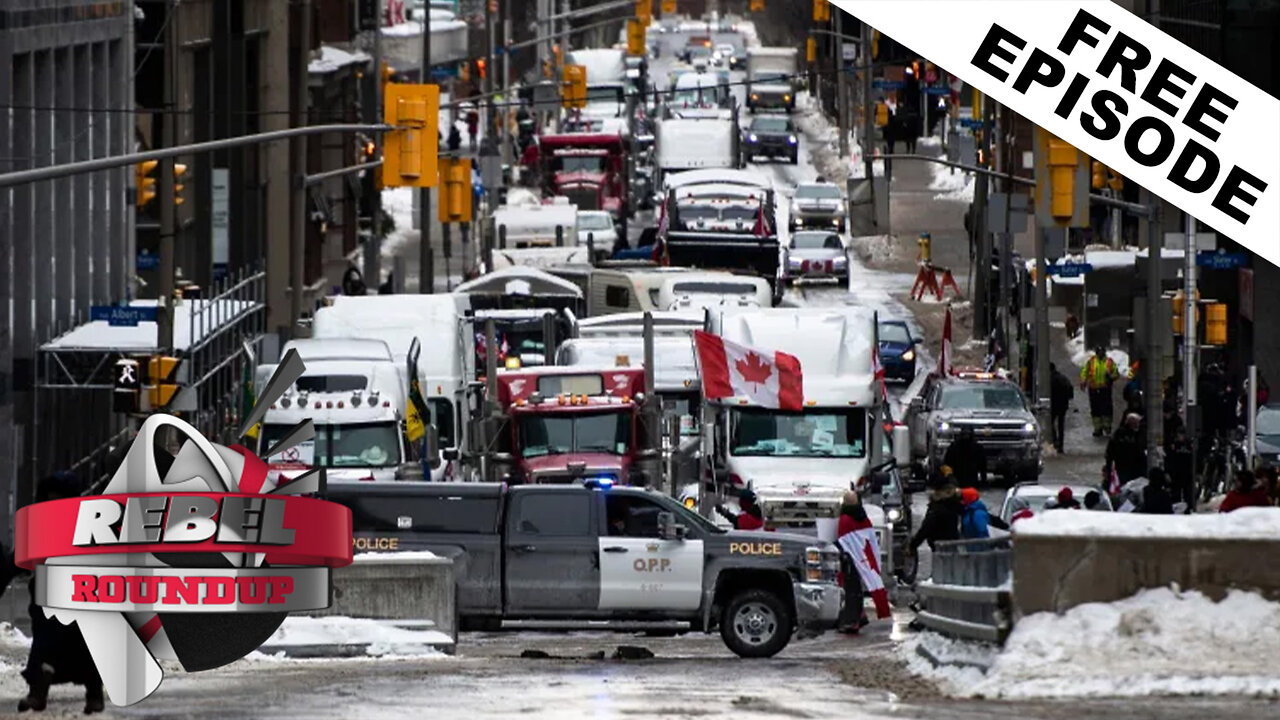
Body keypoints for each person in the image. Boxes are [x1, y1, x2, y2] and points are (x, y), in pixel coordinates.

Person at [21, 473, 104, 714]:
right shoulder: (44, 522)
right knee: (51, 645)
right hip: (53, 593)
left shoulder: (83, 523)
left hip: (74, 592)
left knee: (72, 646)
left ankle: (89, 694)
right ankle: (41, 691)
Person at [836, 490, 871, 634]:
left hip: (850, 557)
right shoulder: (863, 517)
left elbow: (843, 538)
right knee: (856, 588)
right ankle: (859, 615)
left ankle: (852, 620)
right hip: (861, 555)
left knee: (850, 589)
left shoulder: (845, 518)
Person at [910, 481, 963, 553]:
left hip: (938, 544)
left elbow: (926, 528)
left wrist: (913, 545)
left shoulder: (936, 508)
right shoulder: (956, 506)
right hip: (952, 543)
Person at [1080, 346, 1120, 437]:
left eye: (1102, 352)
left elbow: (1116, 373)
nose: (1100, 354)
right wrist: (1083, 381)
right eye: (1099, 352)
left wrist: (1110, 376)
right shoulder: (1091, 362)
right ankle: (1098, 428)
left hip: (1105, 389)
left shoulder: (1109, 362)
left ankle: (1107, 426)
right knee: (1095, 409)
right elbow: (1084, 371)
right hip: (1093, 389)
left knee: (1106, 408)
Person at [1105, 413, 1147, 485]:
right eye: (1137, 422)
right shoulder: (1121, 434)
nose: (1138, 424)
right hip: (1124, 467)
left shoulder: (1140, 433)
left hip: (1136, 468)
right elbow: (1111, 450)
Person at [1164, 426, 1196, 510]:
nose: (1181, 436)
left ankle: (1188, 507)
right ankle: (1176, 507)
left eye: (1183, 434)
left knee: (1188, 492)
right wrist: (1167, 471)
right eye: (1180, 434)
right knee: (1176, 493)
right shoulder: (1173, 445)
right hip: (1175, 473)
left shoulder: (1189, 445)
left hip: (1187, 472)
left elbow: (1193, 459)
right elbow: (1168, 458)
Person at [1050, 363, 1074, 453]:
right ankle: (1061, 445)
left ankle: (1055, 441)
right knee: (1061, 425)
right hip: (1063, 405)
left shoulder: (1049, 379)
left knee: (1050, 423)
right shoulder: (1063, 378)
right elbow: (1070, 389)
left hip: (1054, 405)